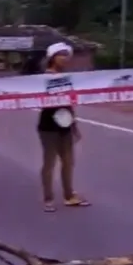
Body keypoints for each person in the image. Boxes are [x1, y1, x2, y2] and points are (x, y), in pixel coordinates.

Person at [37, 42, 90, 212]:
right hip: (48, 126)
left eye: (66, 55)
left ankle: (69, 196)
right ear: (52, 58)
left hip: (65, 125)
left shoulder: (67, 77)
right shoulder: (44, 77)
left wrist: (74, 125)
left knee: (68, 162)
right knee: (49, 163)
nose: (65, 59)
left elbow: (69, 103)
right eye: (61, 55)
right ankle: (48, 199)